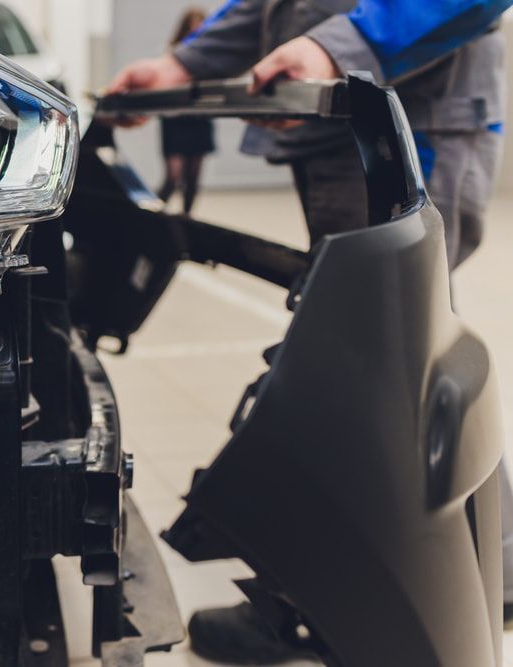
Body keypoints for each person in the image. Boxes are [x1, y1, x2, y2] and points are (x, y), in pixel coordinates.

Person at [109, 0, 512, 662]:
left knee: (375, 367)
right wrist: (183, 63)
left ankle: (320, 611)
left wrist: (351, 40)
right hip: (338, 117)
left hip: (404, 118)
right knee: (400, 350)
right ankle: (495, 556)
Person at [159, 8, 216, 213]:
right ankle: (154, 214)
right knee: (173, 177)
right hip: (175, 121)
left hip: (198, 120)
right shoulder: (175, 54)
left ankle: (186, 218)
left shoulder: (211, 56)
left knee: (193, 178)